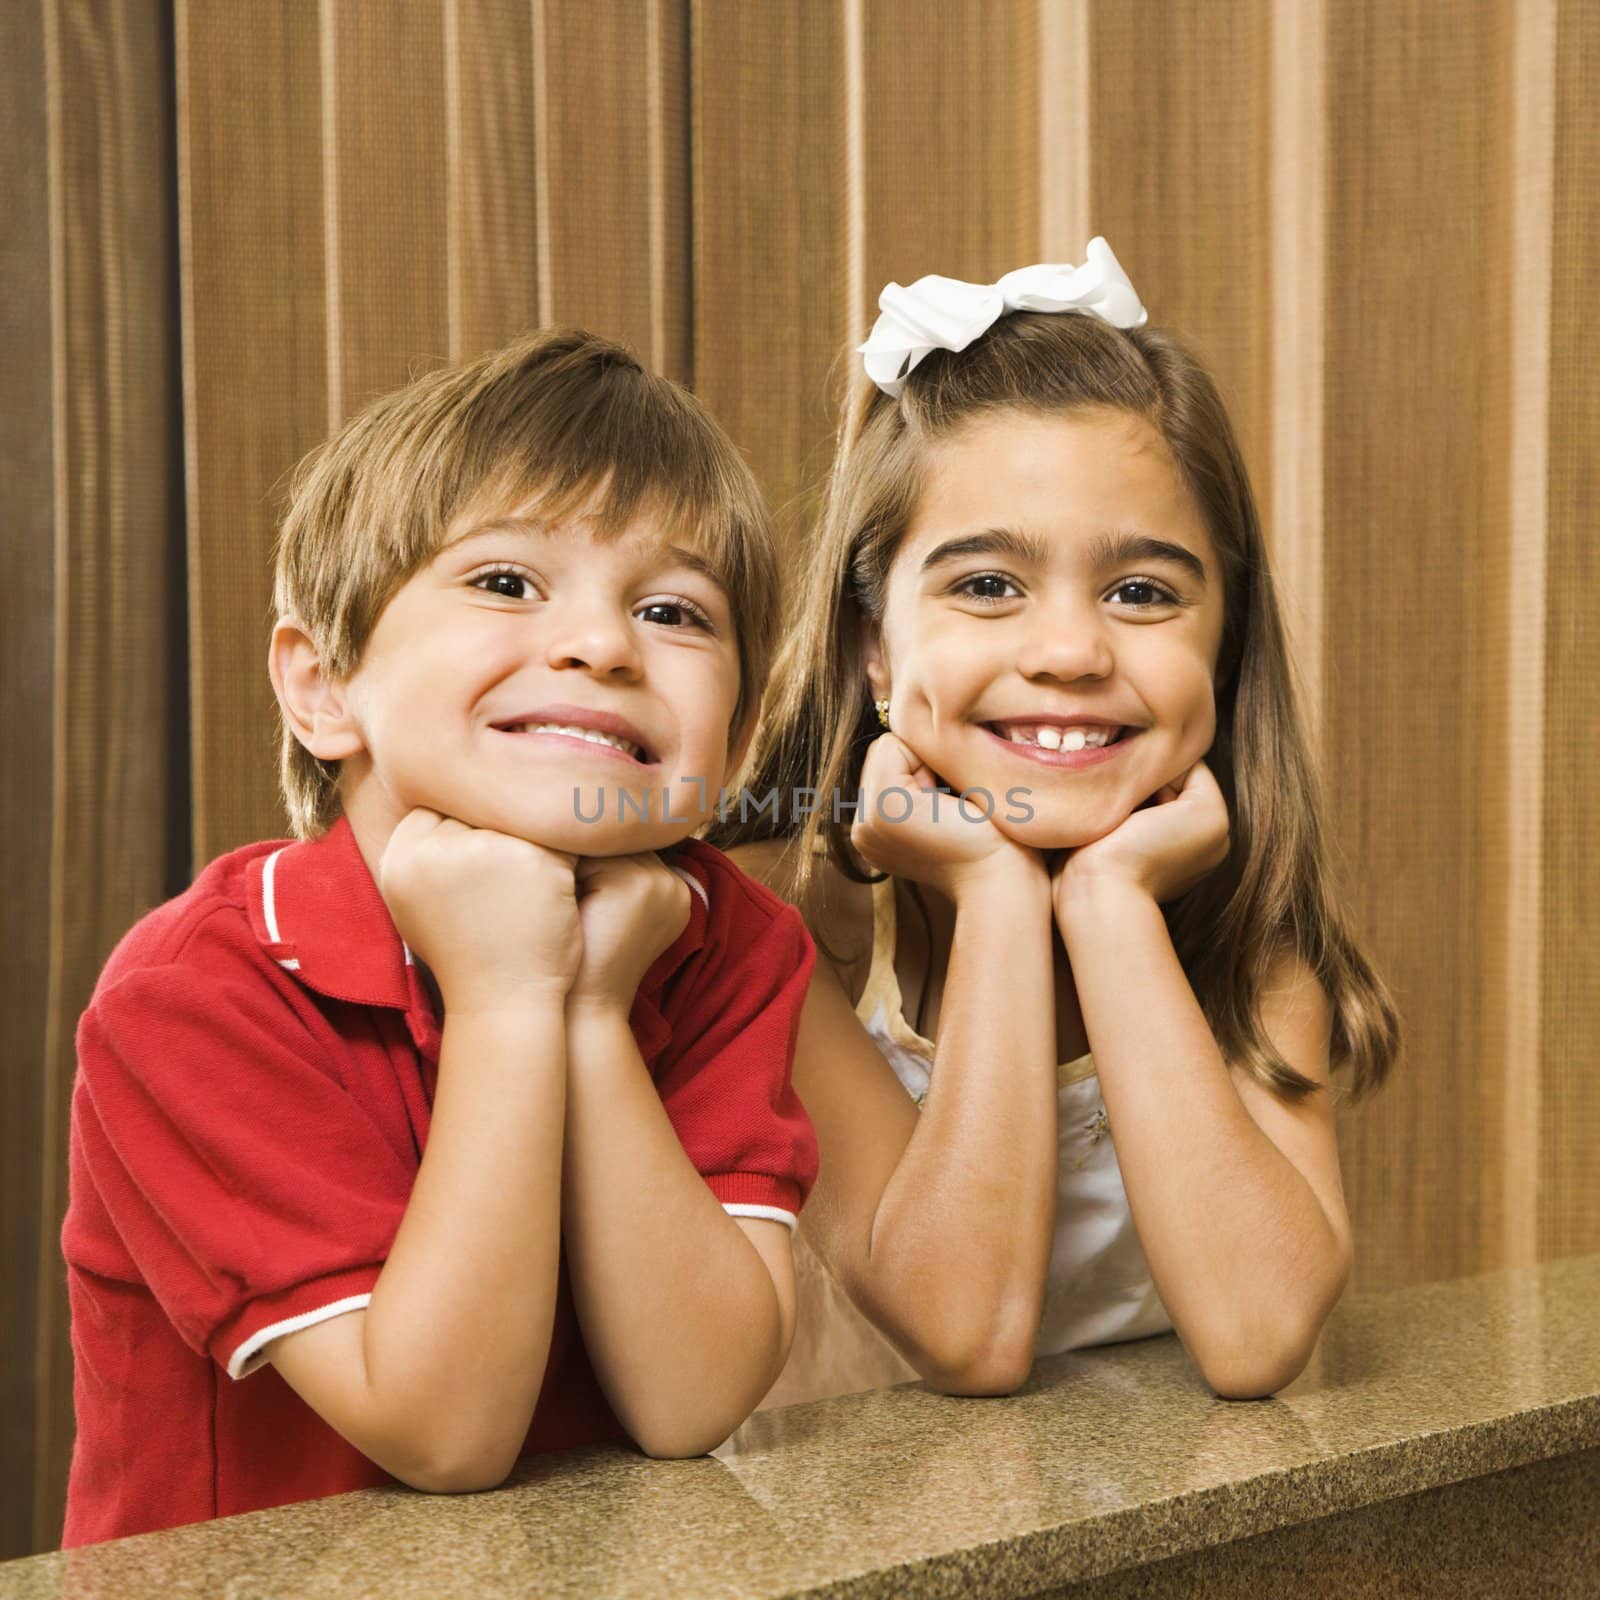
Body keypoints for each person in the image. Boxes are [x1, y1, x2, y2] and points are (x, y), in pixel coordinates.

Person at [60, 330, 818, 1546]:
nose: (607, 645)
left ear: (729, 740)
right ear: (324, 687)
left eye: (675, 611)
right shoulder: (196, 989)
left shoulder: (727, 940)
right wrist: (514, 995)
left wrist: (589, 1011)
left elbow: (691, 1398)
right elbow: (445, 1432)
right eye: (507, 582)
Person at [708, 240, 1401, 1413]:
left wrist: (1107, 906)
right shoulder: (771, 934)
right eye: (986, 584)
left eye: (1141, 592)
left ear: (1222, 649)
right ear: (873, 646)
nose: (1072, 652)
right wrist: (992, 895)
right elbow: (967, 1332)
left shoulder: (1242, 937)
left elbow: (1254, 1331)